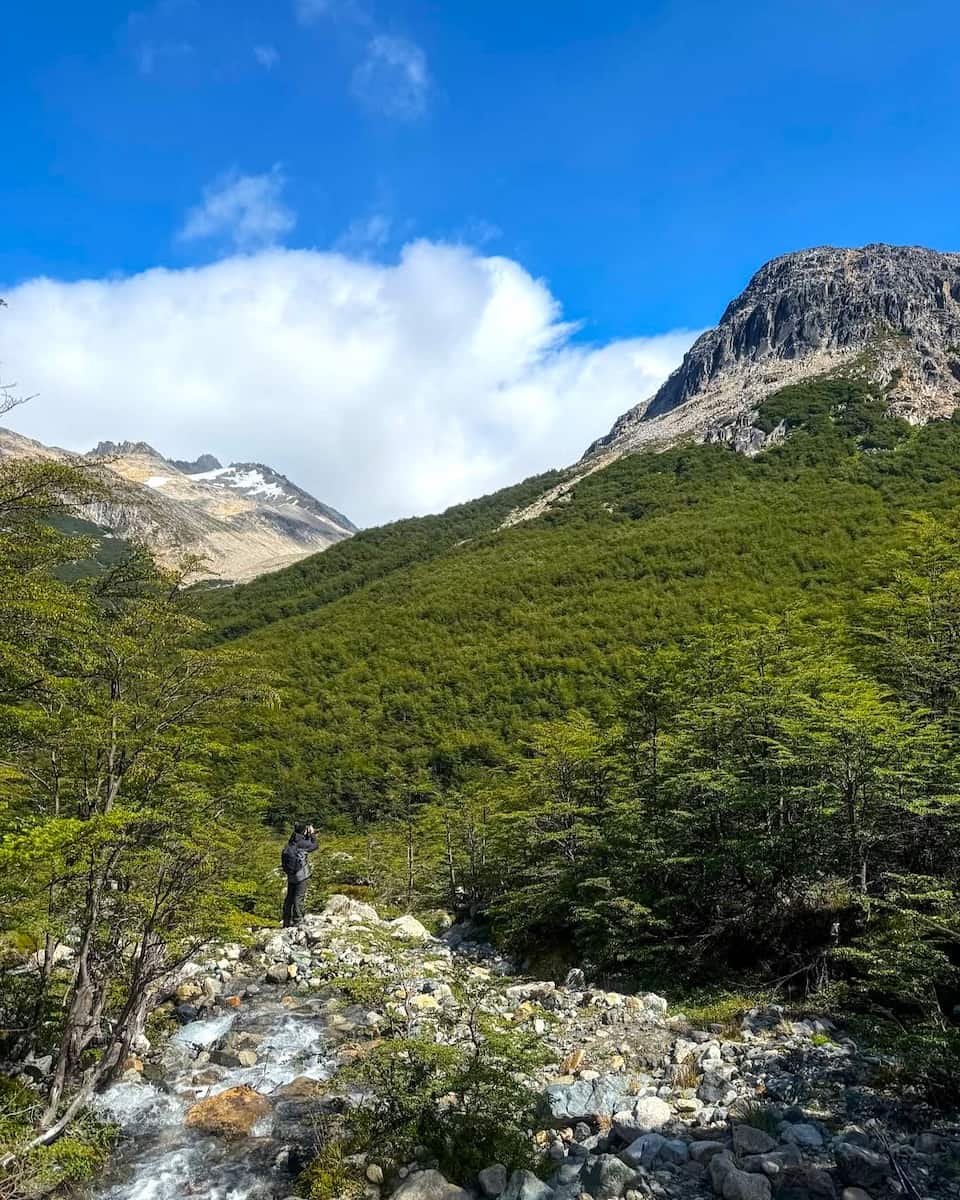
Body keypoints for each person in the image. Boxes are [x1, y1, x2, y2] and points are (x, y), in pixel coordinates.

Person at [281, 822, 317, 927]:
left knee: (289, 898)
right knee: (298, 897)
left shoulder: (291, 842)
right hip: (301, 875)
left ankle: (286, 921)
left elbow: (301, 842)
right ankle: (298, 920)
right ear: (304, 831)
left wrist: (306, 834)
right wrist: (312, 834)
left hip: (291, 875)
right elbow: (315, 846)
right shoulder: (302, 844)